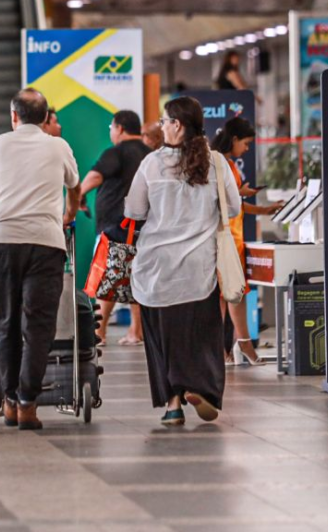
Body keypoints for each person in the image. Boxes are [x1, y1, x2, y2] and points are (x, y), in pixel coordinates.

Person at [124, 96, 240, 426]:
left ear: (176, 125)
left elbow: (134, 211)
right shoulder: (216, 162)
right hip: (198, 269)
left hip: (156, 269)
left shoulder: (151, 164)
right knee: (201, 337)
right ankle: (201, 388)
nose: (161, 126)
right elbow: (233, 208)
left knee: (162, 339)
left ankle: (172, 405)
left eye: (164, 121)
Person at [0, 89, 80, 430]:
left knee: (5, 323)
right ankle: (27, 402)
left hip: (0, 243)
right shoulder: (58, 146)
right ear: (45, 117)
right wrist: (67, 212)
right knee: (38, 327)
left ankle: (8, 400)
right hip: (45, 243)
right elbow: (75, 185)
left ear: (13, 116)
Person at [210, 117, 283, 365]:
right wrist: (243, 196)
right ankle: (243, 345)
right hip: (229, 237)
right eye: (246, 143)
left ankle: (226, 349)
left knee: (225, 295)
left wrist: (261, 209)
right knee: (234, 293)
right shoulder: (224, 164)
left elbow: (233, 202)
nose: (247, 149)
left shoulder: (218, 162)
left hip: (226, 235)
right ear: (234, 140)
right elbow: (230, 202)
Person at [80, 110, 150, 347]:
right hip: (144, 227)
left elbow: (95, 177)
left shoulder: (116, 152)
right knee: (136, 281)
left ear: (120, 128)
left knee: (106, 281)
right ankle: (135, 331)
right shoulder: (150, 155)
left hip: (115, 228)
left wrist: (78, 195)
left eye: (111, 127)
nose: (111, 131)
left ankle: (99, 333)